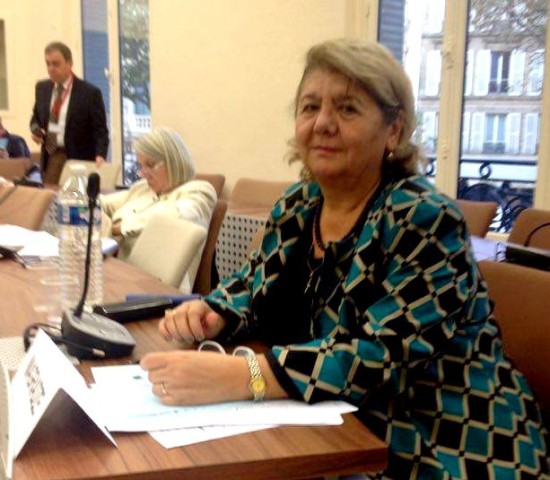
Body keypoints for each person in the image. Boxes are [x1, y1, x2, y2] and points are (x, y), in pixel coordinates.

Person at [140, 39, 549, 479]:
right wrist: (213, 312)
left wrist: (242, 376)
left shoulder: (424, 217)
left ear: (393, 131)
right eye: (310, 107)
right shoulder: (298, 204)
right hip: (327, 427)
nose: (322, 123)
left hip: (442, 441)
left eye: (347, 108)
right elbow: (250, 285)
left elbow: (383, 355)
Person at [102, 127, 217, 288]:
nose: (143, 173)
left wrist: (120, 228)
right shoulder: (143, 188)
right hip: (120, 275)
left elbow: (171, 217)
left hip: (159, 288)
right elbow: (102, 203)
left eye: (150, 165)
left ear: (173, 161)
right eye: (141, 166)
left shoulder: (199, 191)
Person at [30, 41, 109, 184]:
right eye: (48, 64)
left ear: (70, 63)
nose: (51, 68)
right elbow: (36, 118)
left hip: (78, 157)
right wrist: (36, 130)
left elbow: (100, 130)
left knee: (72, 196)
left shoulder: (89, 93)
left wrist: (100, 155)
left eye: (56, 64)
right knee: (50, 193)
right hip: (50, 155)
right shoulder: (42, 88)